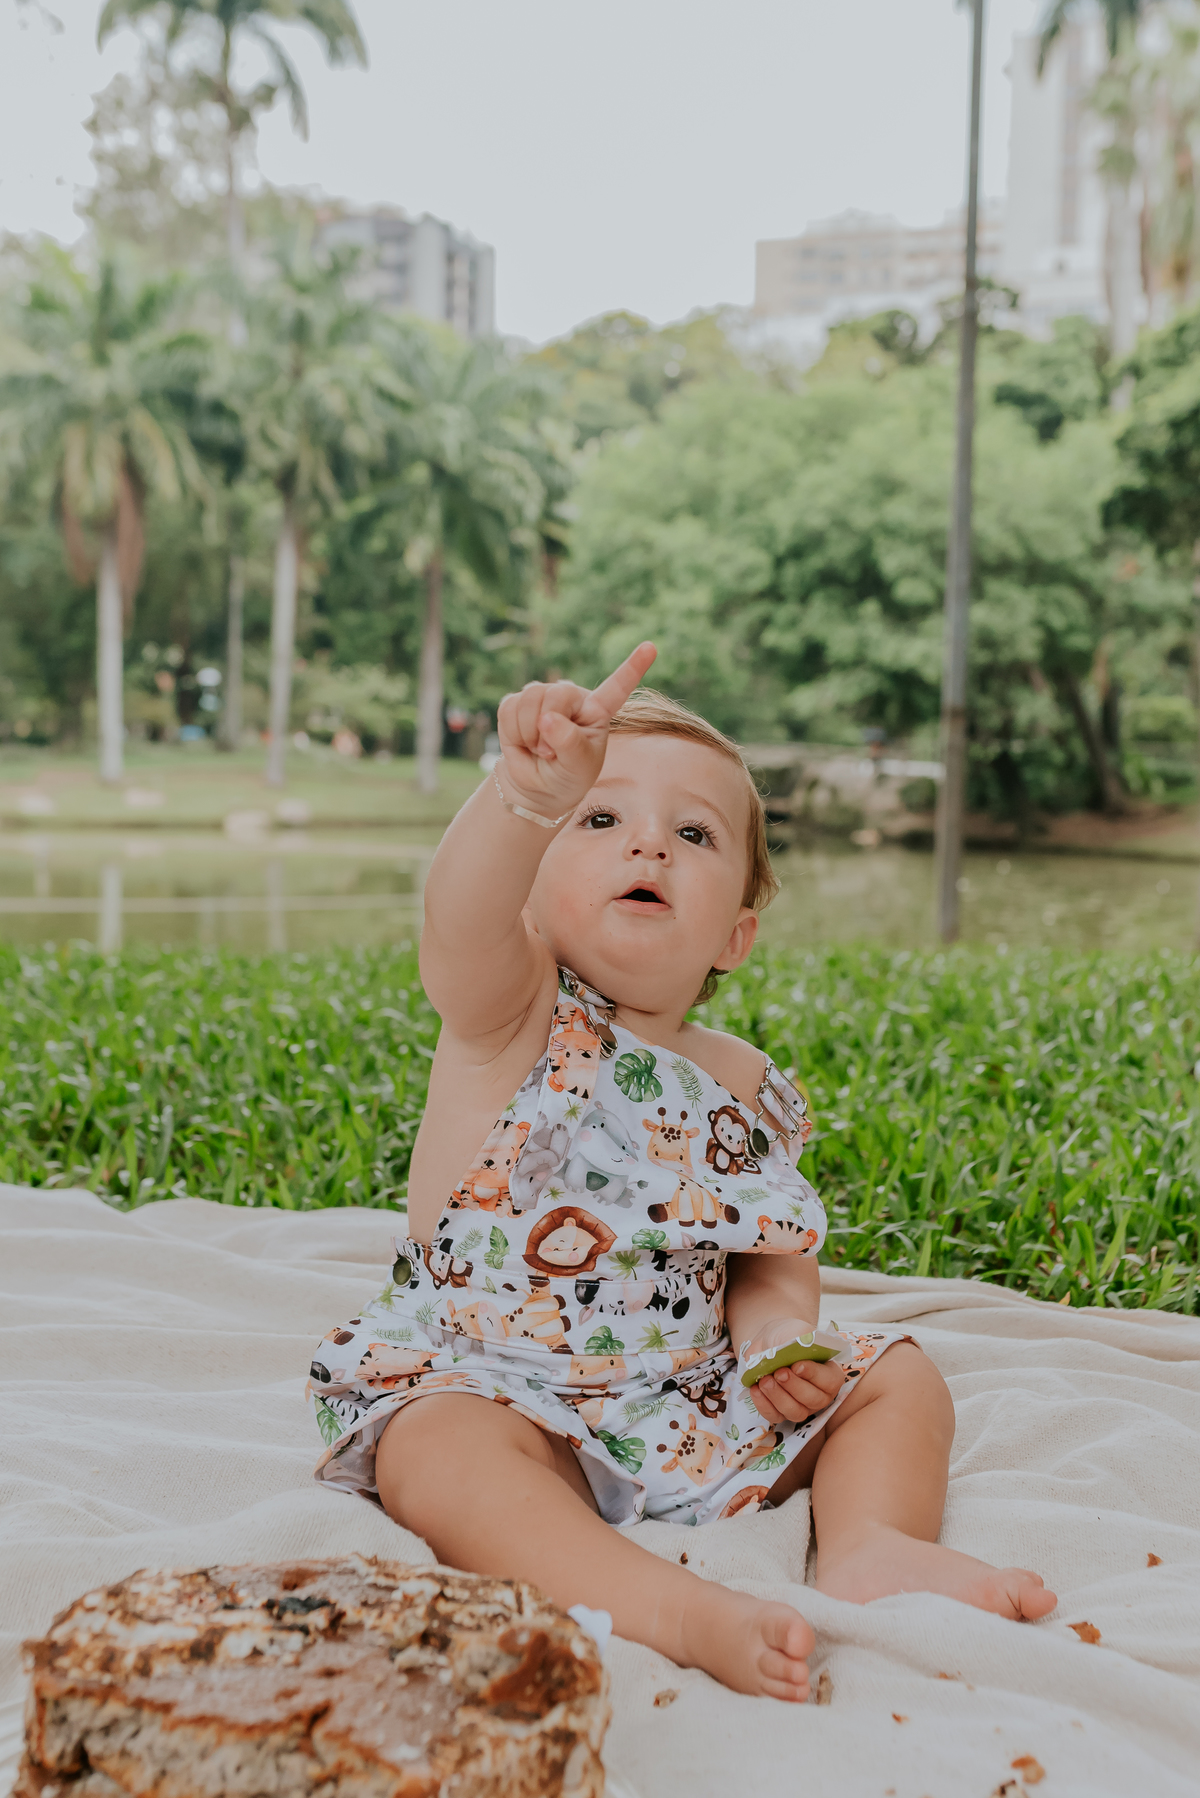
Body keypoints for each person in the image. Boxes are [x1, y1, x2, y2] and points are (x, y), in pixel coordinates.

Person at [309, 644, 1056, 1701]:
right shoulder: (511, 1010)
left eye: (693, 833)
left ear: (736, 935)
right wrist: (524, 798)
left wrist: (773, 1334)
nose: (649, 842)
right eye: (601, 819)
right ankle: (665, 1604)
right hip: (503, 1381)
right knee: (436, 1453)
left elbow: (767, 1249)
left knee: (895, 1375)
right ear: (532, 885)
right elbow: (460, 912)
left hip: (686, 1388)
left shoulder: (742, 1080)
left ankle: (869, 1545)